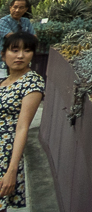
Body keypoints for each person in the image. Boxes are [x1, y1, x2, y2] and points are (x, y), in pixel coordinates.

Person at [0, 32, 44, 210]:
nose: (20, 56)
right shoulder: (3, 82)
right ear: (3, 54)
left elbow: (22, 128)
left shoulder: (32, 82)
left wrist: (12, 170)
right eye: (15, 50)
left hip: (4, 155)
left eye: (27, 50)